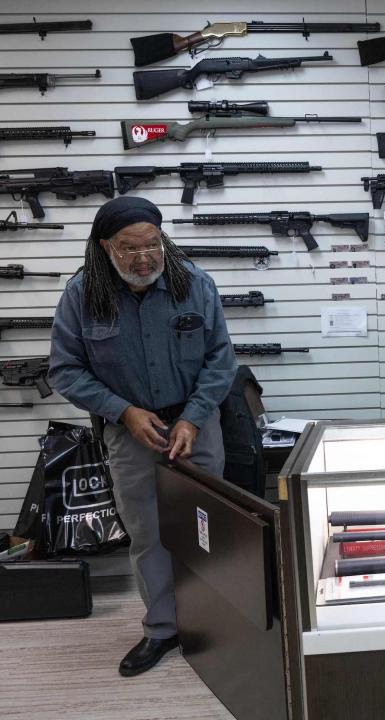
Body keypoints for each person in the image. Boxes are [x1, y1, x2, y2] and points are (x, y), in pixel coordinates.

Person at [48, 196, 237, 677]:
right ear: (105, 247)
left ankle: (215, 623)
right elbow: (65, 371)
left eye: (152, 244)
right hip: (131, 434)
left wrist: (194, 417)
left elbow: (221, 361)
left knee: (206, 529)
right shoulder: (81, 294)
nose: (144, 258)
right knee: (148, 535)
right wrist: (123, 412)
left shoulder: (194, 284)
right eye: (129, 248)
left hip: (197, 427)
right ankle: (162, 629)